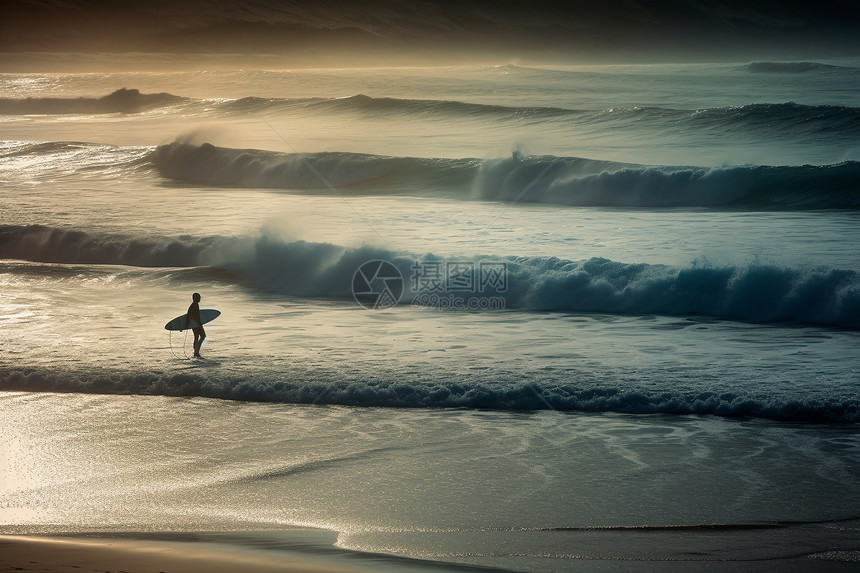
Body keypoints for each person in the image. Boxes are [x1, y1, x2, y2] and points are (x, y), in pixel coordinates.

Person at [187, 292, 206, 358]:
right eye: (199, 297)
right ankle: (196, 352)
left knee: (196, 337)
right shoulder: (195, 305)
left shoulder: (193, 305)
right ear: (195, 298)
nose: (200, 298)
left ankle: (196, 351)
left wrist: (189, 324)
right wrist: (199, 324)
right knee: (203, 336)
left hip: (193, 324)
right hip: (196, 324)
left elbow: (189, 315)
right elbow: (196, 316)